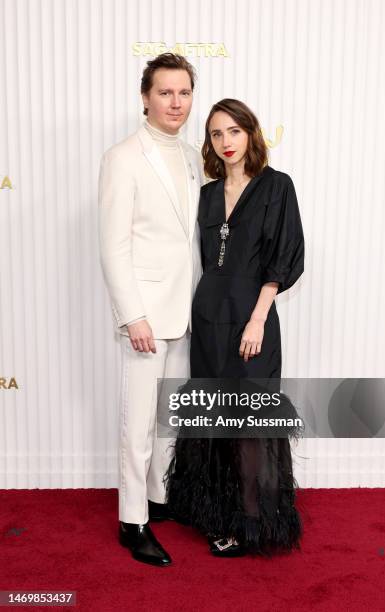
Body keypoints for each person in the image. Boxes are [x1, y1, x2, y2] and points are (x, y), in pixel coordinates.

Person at [165, 98, 305, 557]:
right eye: (216, 134)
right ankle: (215, 514)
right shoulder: (203, 195)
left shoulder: (276, 187)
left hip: (252, 316)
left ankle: (252, 520)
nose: (226, 142)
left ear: (251, 134)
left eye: (234, 131)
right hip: (208, 317)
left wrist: (259, 318)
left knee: (249, 421)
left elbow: (284, 258)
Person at [98, 53, 204, 567]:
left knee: (168, 419)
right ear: (145, 97)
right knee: (137, 423)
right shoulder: (123, 157)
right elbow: (113, 245)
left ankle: (158, 500)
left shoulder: (190, 155)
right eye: (165, 92)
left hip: (184, 311)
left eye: (184, 92)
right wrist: (131, 314)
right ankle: (131, 520)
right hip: (146, 314)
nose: (176, 102)